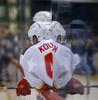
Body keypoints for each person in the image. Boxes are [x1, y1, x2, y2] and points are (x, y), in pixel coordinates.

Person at [16, 21, 84, 96]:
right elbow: (73, 67)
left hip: (41, 88)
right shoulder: (66, 50)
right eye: (59, 37)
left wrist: (29, 83)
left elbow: (28, 74)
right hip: (59, 86)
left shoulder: (28, 51)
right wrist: (62, 83)